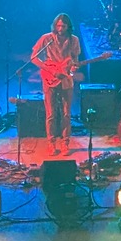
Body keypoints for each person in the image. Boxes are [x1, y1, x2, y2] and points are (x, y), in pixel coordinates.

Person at [31, 14, 81, 154]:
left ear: (68, 26)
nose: (60, 29)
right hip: (50, 77)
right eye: (58, 26)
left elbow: (75, 60)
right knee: (51, 113)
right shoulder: (46, 38)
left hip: (66, 79)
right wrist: (50, 70)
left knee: (66, 113)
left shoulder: (74, 40)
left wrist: (73, 68)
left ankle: (65, 143)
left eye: (63, 26)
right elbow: (34, 57)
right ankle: (51, 143)